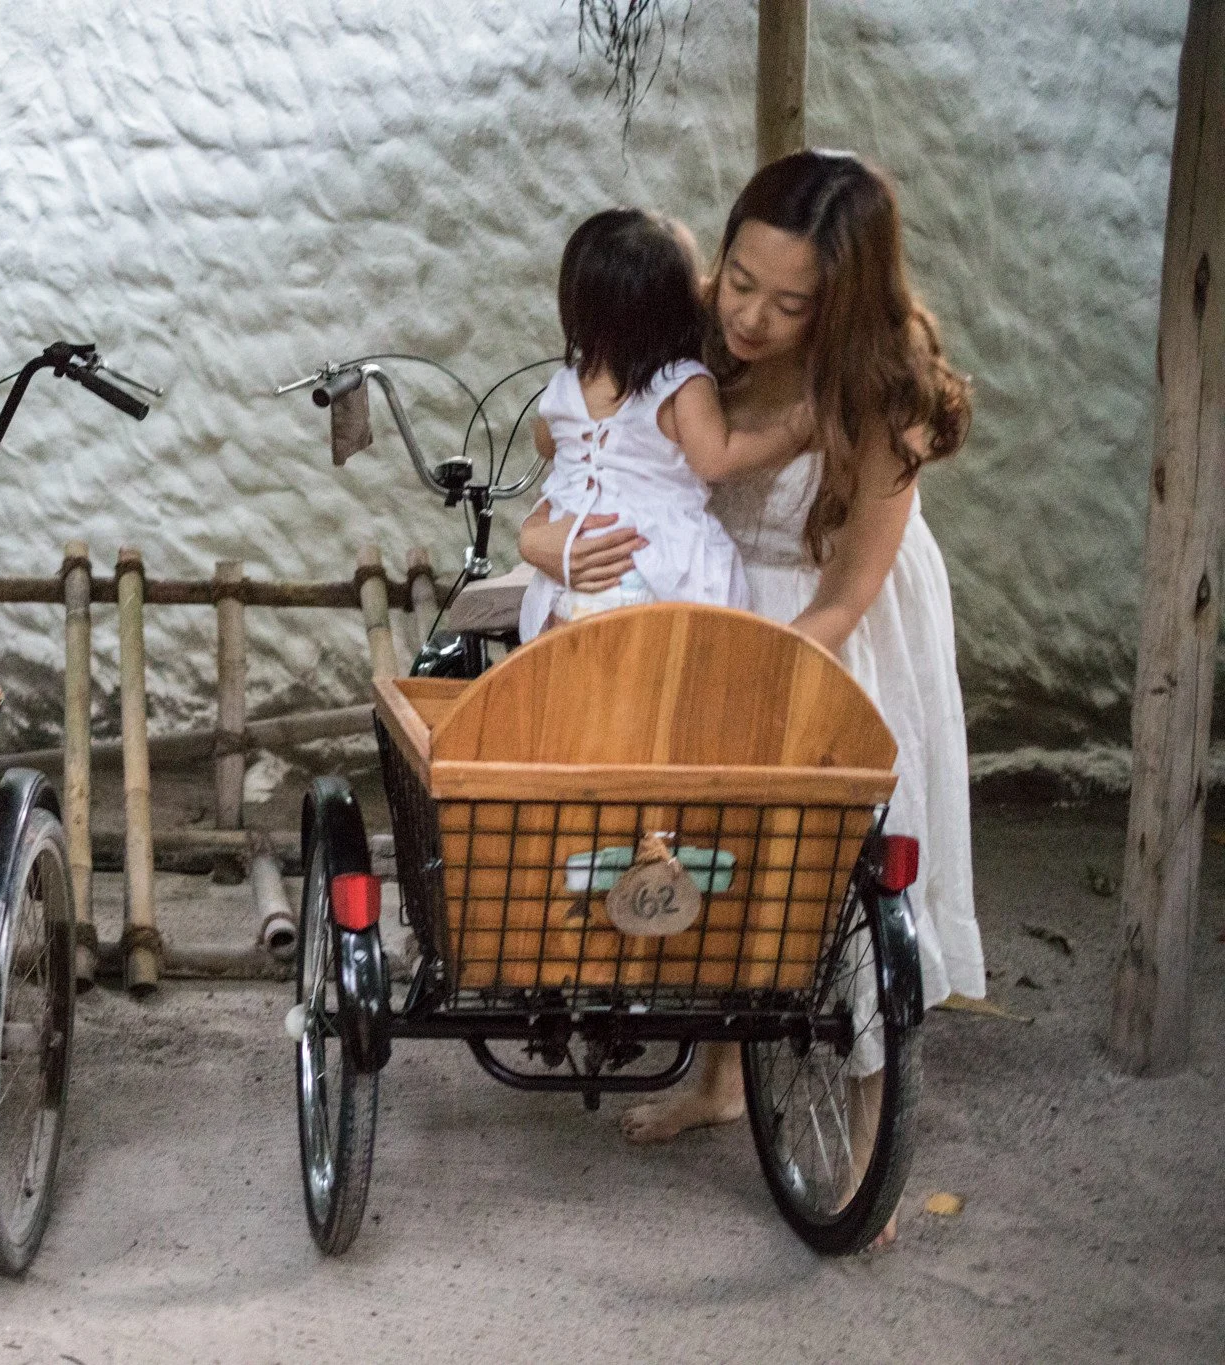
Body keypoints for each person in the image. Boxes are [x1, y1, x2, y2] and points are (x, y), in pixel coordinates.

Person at [522, 152, 982, 1240]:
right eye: (736, 280)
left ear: (844, 302)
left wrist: (748, 676)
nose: (747, 318)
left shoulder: (885, 394)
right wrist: (552, 544)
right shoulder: (678, 328)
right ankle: (722, 1077)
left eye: (790, 304)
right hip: (706, 607)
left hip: (828, 630)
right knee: (723, 859)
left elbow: (847, 596)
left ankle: (865, 1127)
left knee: (835, 872)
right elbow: (585, 454)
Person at [515, 209, 807, 637]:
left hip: (576, 573)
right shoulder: (680, 385)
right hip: (653, 570)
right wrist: (796, 430)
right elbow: (716, 459)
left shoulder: (565, 387)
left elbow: (547, 443)